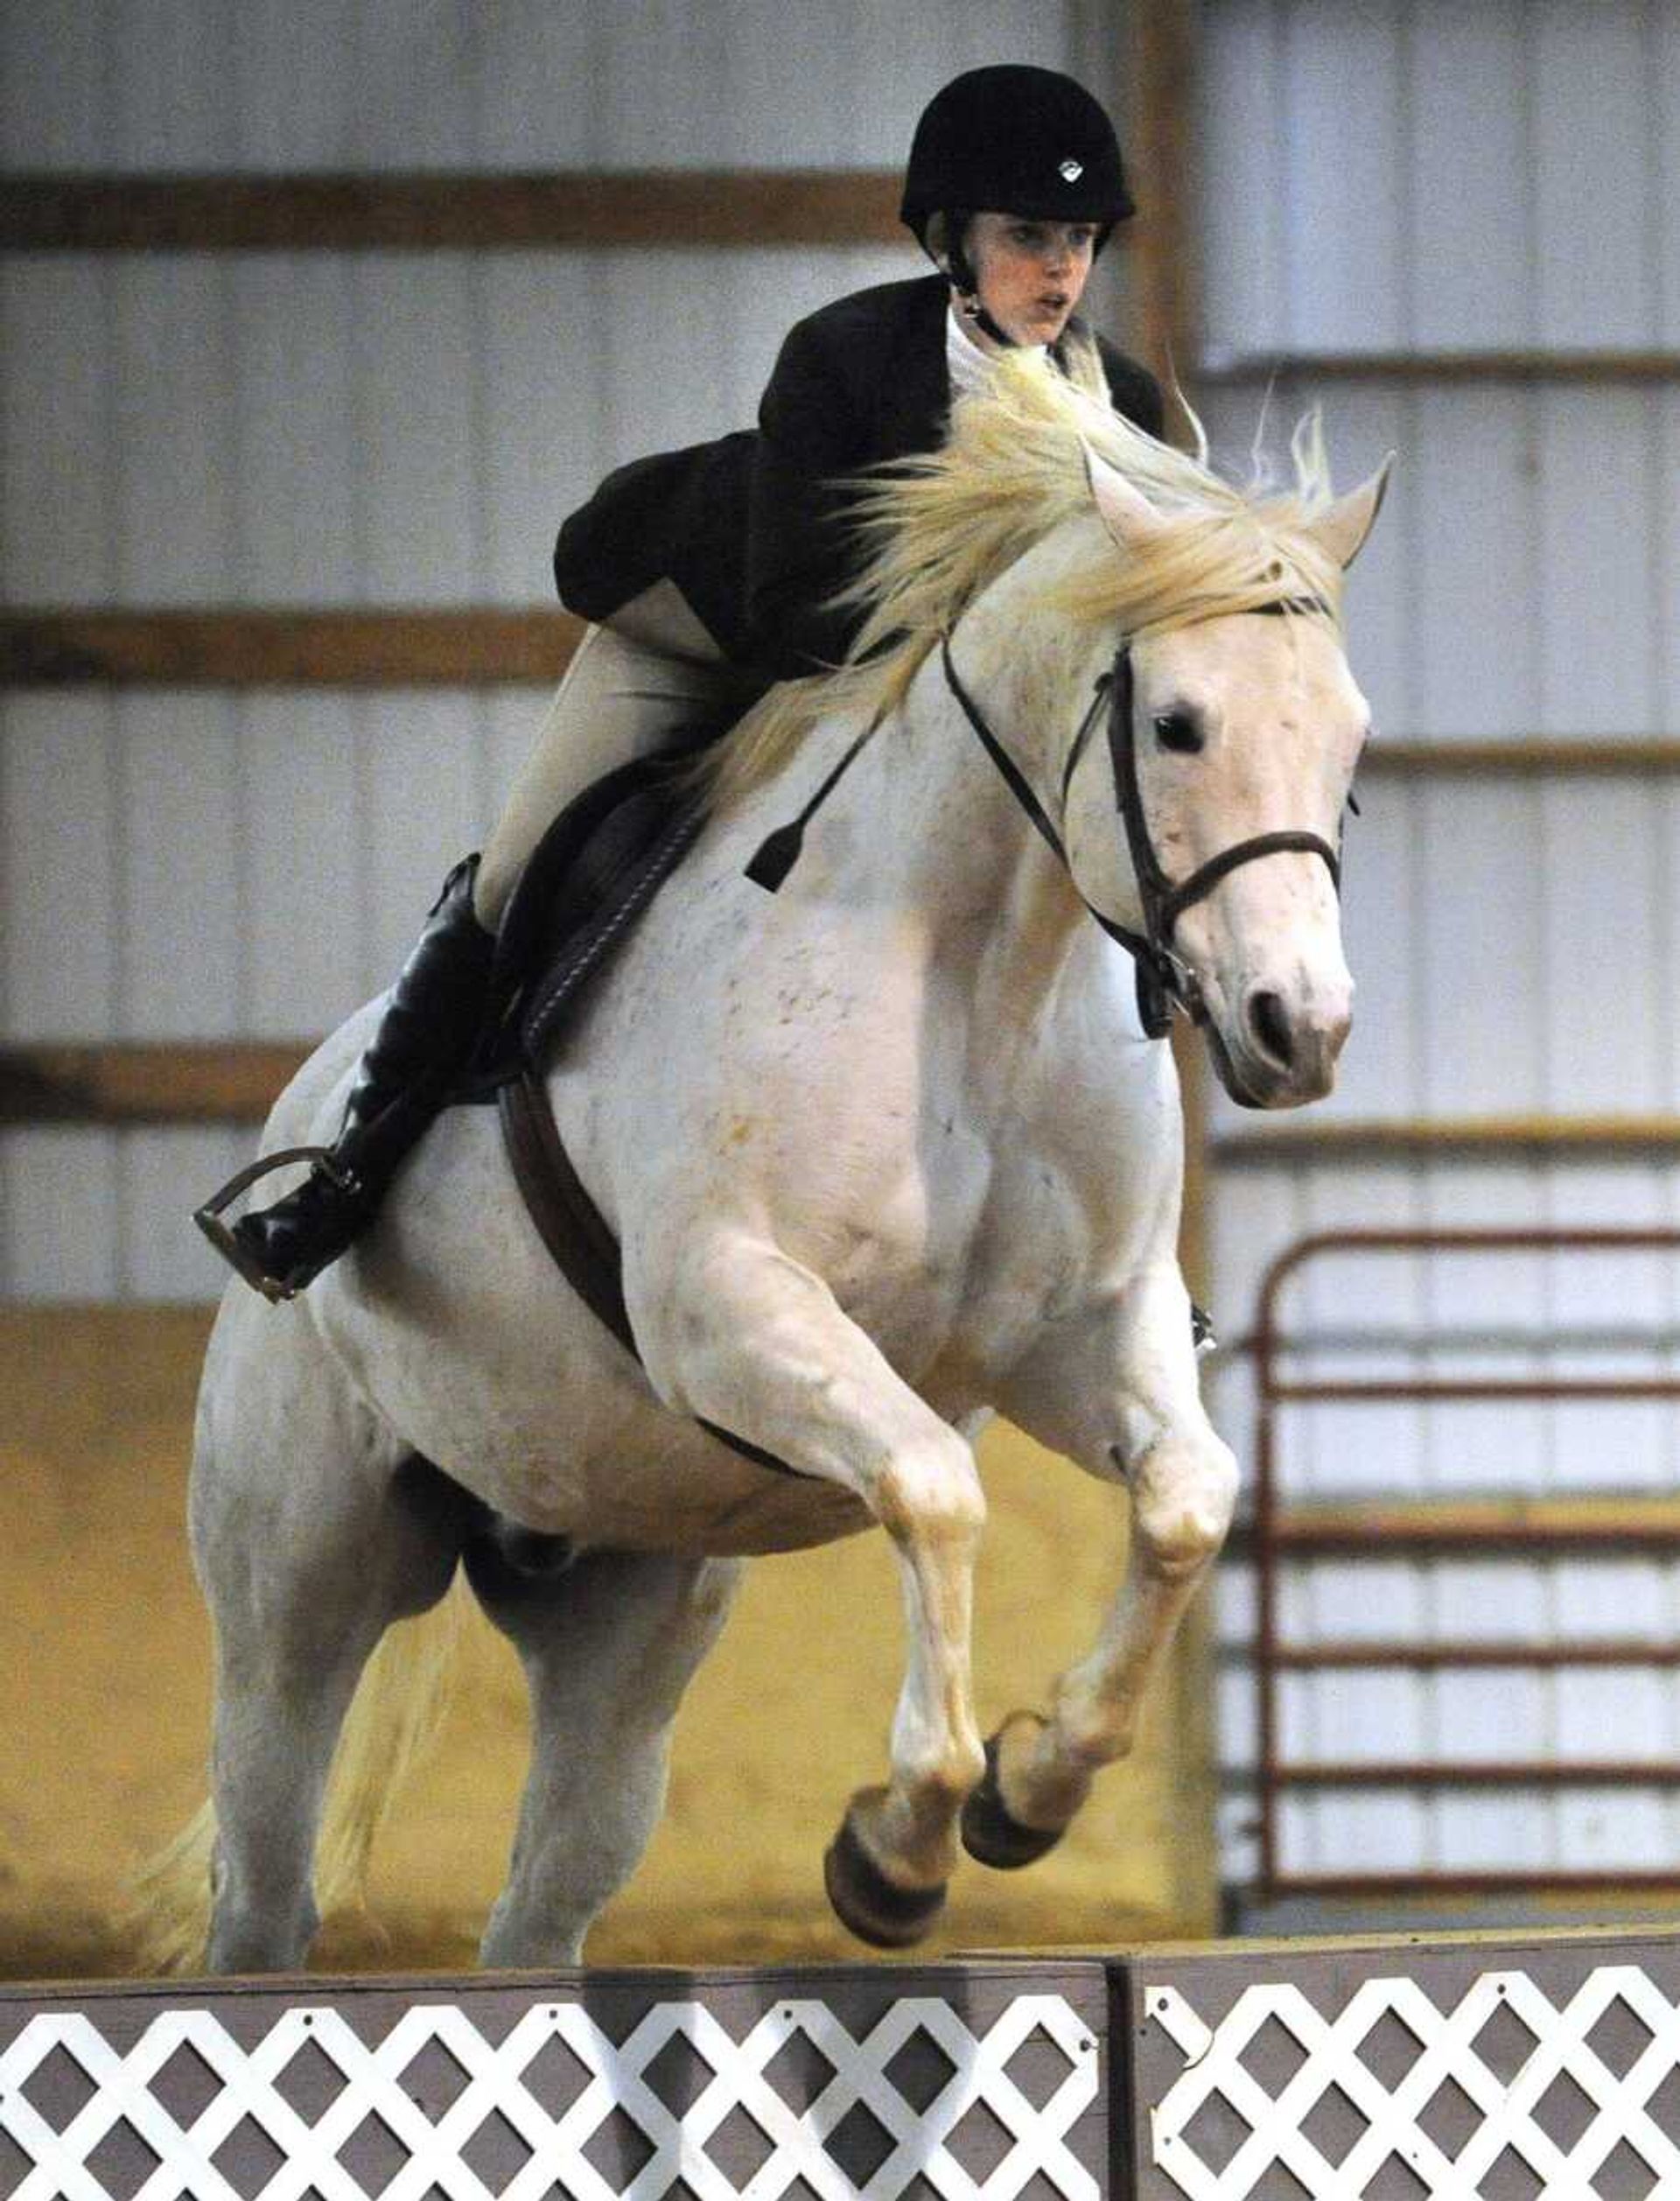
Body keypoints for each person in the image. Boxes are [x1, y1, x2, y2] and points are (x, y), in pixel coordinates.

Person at [200, 63, 1165, 1301]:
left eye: (1079, 240)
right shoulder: (844, 358)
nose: (1062, 270)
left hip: (920, 705)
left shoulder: (1122, 405)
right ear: (952, 240)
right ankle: (342, 1182)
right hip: (715, 634)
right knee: (517, 875)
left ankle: (1117, 1262)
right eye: (1030, 235)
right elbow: (794, 616)